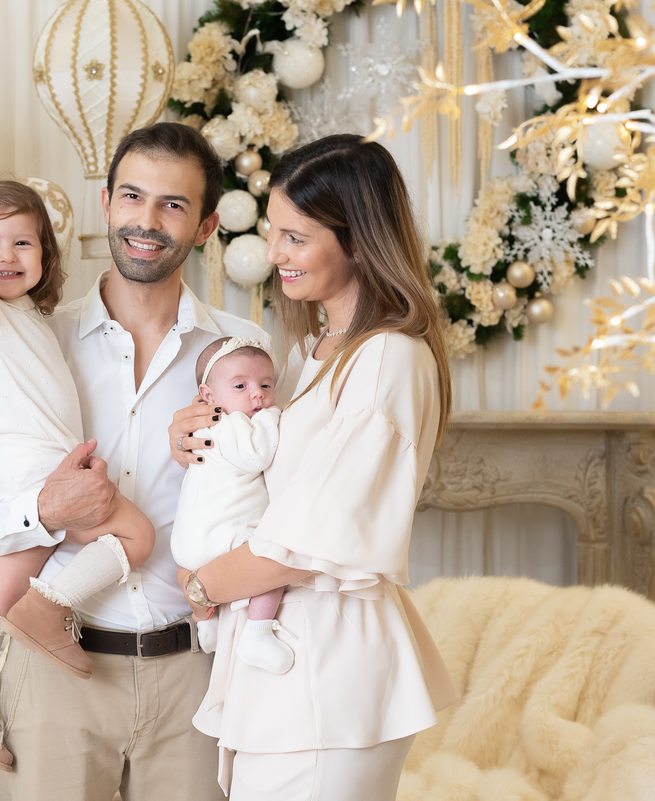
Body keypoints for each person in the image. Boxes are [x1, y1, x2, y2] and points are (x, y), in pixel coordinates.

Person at [0, 123, 264, 801]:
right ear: (107, 202)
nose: (147, 221)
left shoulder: (243, 357)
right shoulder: (34, 340)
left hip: (197, 676)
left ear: (205, 227)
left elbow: (281, 509)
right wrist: (43, 510)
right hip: (53, 677)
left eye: (173, 204)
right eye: (132, 196)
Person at [168, 135, 460, 800]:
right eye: (273, 231)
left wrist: (201, 586)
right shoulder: (308, 352)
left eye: (295, 238)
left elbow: (313, 536)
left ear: (358, 241)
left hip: (329, 669)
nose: (274, 253)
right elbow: (268, 483)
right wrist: (199, 439)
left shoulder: (387, 359)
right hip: (287, 658)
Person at [0, 180, 156, 772]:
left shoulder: (28, 316)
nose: (8, 256)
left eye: (24, 242)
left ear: (45, 253)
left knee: (2, 588)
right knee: (137, 535)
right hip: (32, 470)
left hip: (33, 468)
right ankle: (50, 608)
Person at [171, 336, 293, 673]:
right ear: (208, 395)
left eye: (266, 385)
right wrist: (273, 417)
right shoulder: (230, 424)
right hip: (223, 536)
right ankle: (258, 632)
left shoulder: (210, 427)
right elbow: (258, 455)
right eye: (241, 386)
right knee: (272, 559)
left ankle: (207, 623)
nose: (257, 394)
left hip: (191, 546)